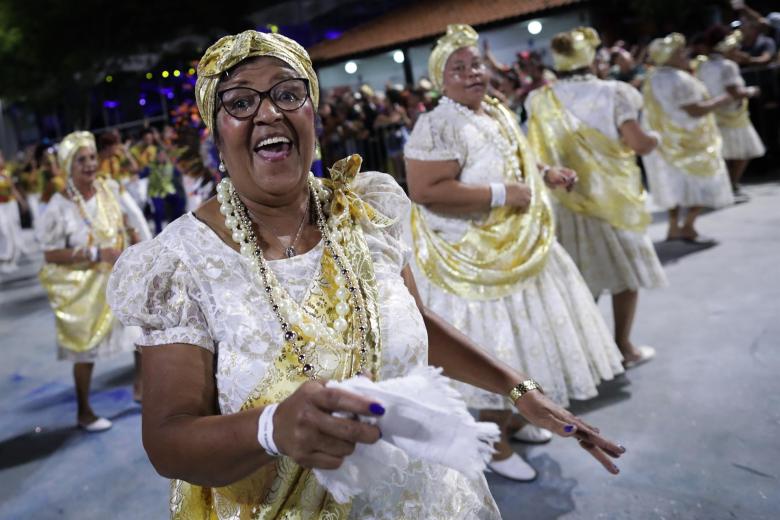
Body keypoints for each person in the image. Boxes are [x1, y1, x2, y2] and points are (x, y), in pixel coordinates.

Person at [107, 30, 625, 518]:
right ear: (216, 131)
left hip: (429, 496)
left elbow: (413, 321)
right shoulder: (180, 262)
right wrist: (271, 428)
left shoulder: (367, 212)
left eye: (288, 94)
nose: (268, 113)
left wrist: (519, 391)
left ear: (313, 111)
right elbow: (169, 441)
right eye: (241, 103)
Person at [404, 24, 624, 482]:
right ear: (439, 81)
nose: (471, 73)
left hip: (519, 249)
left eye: (476, 63)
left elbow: (516, 155)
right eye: (457, 68)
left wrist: (545, 174)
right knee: (492, 345)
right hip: (469, 260)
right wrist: (505, 194)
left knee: (526, 340)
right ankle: (493, 443)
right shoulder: (437, 123)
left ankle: (518, 421)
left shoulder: (497, 110)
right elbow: (426, 189)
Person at [526, 27, 668, 369]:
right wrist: (657, 139)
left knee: (581, 282)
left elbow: (532, 150)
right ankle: (623, 347)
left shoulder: (539, 99)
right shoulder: (616, 93)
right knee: (626, 278)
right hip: (612, 203)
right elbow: (637, 142)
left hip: (565, 200)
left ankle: (589, 354)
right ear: (591, 57)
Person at [36, 131, 149, 430]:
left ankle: (141, 389)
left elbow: (127, 221)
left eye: (91, 157)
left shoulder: (108, 188)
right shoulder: (59, 205)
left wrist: (134, 238)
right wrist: (95, 252)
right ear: (68, 166)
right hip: (85, 287)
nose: (89, 164)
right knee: (84, 351)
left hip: (118, 278)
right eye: (80, 160)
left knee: (140, 333)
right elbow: (50, 254)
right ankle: (84, 412)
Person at [641, 33, 735, 242]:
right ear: (670, 57)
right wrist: (723, 100)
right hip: (691, 141)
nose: (685, 55)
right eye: (679, 52)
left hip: (665, 142)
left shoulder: (652, 78)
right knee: (704, 180)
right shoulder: (679, 79)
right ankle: (689, 224)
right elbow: (695, 110)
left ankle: (674, 226)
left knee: (674, 185)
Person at [697, 26, 765, 202]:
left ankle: (725, 188)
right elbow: (733, 91)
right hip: (732, 114)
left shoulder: (703, 65)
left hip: (714, 113)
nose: (738, 50)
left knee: (724, 153)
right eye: (735, 47)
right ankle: (732, 186)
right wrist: (752, 91)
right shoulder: (728, 66)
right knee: (742, 152)